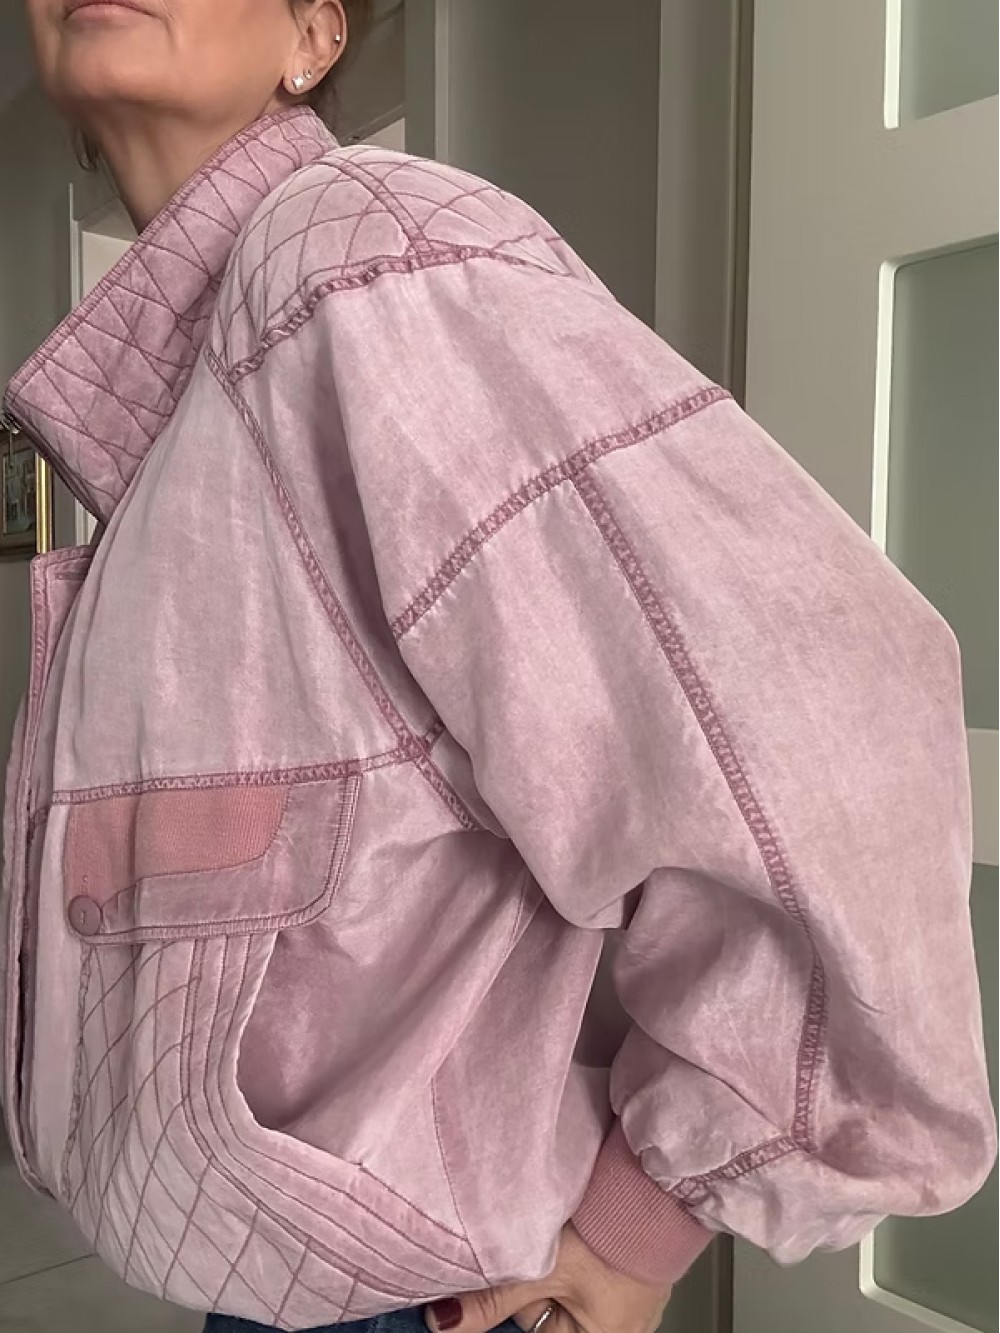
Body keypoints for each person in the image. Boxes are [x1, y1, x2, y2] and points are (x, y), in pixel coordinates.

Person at [2, 3, 995, 1333]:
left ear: (315, 34)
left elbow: (827, 701)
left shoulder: (358, 253)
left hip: (433, 1298)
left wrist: (645, 1218)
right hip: (305, 1272)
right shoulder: (214, 376)